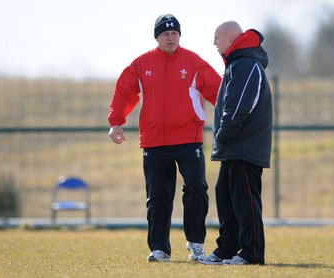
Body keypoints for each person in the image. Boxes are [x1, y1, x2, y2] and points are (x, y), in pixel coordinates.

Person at [108, 14, 221, 262]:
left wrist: (232, 119)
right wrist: (116, 123)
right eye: (165, 34)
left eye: (174, 34)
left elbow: (217, 91)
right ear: (157, 37)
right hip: (154, 141)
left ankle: (195, 244)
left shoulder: (195, 62)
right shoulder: (141, 64)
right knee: (158, 197)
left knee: (195, 187)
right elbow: (124, 93)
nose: (170, 38)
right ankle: (159, 249)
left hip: (188, 139)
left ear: (179, 36)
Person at [198, 21, 272, 265]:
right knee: (225, 196)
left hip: (244, 147)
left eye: (217, 38)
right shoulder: (236, 64)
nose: (214, 43)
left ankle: (252, 253)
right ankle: (227, 249)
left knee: (246, 200)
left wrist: (223, 134)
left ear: (230, 39)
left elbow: (240, 106)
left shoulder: (246, 64)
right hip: (232, 146)